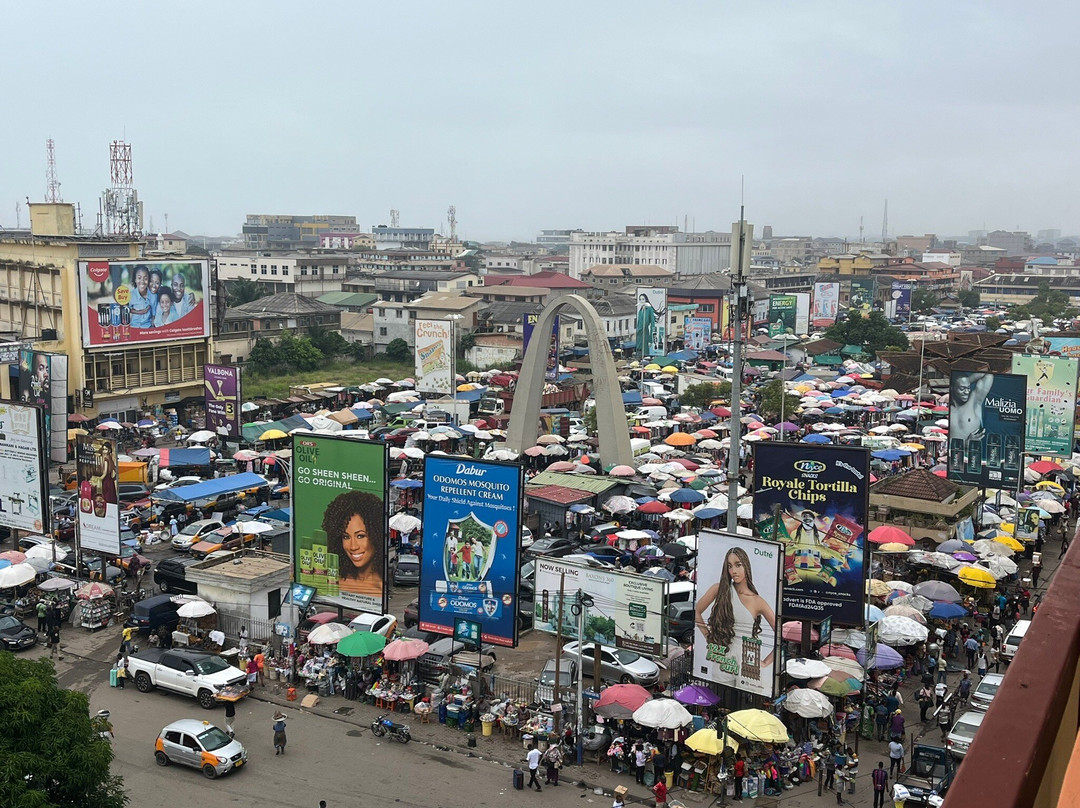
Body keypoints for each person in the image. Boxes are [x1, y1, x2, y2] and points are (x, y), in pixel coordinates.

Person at [694, 546, 776, 689]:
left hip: (748, 660)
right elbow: (697, 612)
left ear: (746, 565)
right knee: (721, 701)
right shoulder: (719, 589)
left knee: (745, 704)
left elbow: (781, 635)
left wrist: (765, 662)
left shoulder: (757, 601)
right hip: (722, 658)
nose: (734, 571)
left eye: (738, 565)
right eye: (730, 566)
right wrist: (709, 637)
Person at [322, 490, 386, 599]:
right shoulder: (332, 582)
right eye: (346, 537)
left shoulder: (380, 591)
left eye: (360, 536)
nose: (353, 546)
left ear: (376, 535)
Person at [950, 372, 994, 443]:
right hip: (948, 453)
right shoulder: (947, 407)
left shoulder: (974, 401)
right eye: (962, 388)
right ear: (952, 388)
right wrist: (957, 382)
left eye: (968, 388)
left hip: (971, 453)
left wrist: (965, 381)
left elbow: (988, 375)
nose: (967, 392)